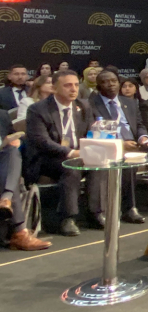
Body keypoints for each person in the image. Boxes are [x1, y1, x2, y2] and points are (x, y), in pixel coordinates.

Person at [25, 70, 95, 236]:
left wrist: (92, 149)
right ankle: (68, 218)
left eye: (76, 85)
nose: (73, 89)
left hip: (79, 155)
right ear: (54, 88)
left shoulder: (83, 106)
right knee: (71, 168)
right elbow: (41, 141)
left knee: (101, 166)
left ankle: (95, 213)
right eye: (68, 85)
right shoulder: (38, 109)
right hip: (47, 159)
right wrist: (71, 152)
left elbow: (91, 132)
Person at [88, 70, 148, 224]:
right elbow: (94, 131)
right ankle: (129, 208)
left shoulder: (129, 102)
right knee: (128, 162)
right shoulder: (90, 105)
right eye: (106, 82)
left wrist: (143, 137)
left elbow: (139, 124)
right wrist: (120, 143)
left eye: (114, 81)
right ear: (98, 86)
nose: (111, 84)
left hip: (135, 143)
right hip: (110, 146)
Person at [0, 111, 51, 250]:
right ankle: (20, 234)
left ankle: (6, 199)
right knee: (12, 179)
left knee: (12, 152)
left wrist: (16, 142)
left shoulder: (2, 115)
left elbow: (14, 139)